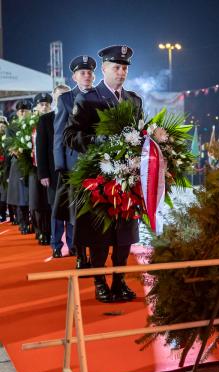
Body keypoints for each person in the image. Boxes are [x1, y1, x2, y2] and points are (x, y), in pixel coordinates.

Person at [64, 45, 142, 303]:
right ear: (105, 69)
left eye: (125, 68)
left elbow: (140, 133)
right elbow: (70, 136)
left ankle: (119, 280)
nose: (121, 72)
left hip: (127, 177)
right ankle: (100, 282)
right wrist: (98, 140)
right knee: (99, 234)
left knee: (124, 233)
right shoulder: (88, 99)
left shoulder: (134, 100)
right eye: (116, 67)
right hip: (98, 177)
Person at [54, 55, 96, 266]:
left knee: (95, 211)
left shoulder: (100, 97)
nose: (87, 76)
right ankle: (80, 254)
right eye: (82, 73)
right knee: (77, 212)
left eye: (89, 72)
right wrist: (60, 165)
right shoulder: (66, 99)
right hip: (74, 166)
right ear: (74, 77)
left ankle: (96, 253)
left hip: (98, 164)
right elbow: (59, 135)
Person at [37, 85, 71, 257]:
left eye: (66, 96)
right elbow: (40, 149)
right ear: (54, 97)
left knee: (73, 210)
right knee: (56, 211)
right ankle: (56, 245)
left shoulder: (75, 117)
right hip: (53, 173)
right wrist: (43, 173)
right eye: (60, 96)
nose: (63, 99)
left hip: (73, 172)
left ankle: (73, 245)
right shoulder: (45, 120)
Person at [29, 93, 53, 245]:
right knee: (37, 202)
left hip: (49, 168)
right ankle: (40, 231)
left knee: (48, 202)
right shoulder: (29, 124)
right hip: (33, 168)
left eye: (46, 104)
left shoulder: (52, 120)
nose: (44, 107)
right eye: (41, 104)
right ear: (36, 106)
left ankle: (49, 232)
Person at [6, 100, 32, 235]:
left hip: (33, 163)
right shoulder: (12, 127)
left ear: (30, 111)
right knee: (20, 197)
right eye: (21, 110)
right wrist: (19, 151)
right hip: (18, 163)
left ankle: (35, 223)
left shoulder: (34, 124)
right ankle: (23, 223)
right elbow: (9, 146)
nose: (23, 112)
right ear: (17, 112)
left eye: (25, 110)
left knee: (32, 196)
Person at [0, 116, 9, 222]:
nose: (1, 125)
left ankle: (3, 213)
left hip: (6, 168)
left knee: (4, 192)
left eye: (3, 123)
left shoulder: (8, 137)